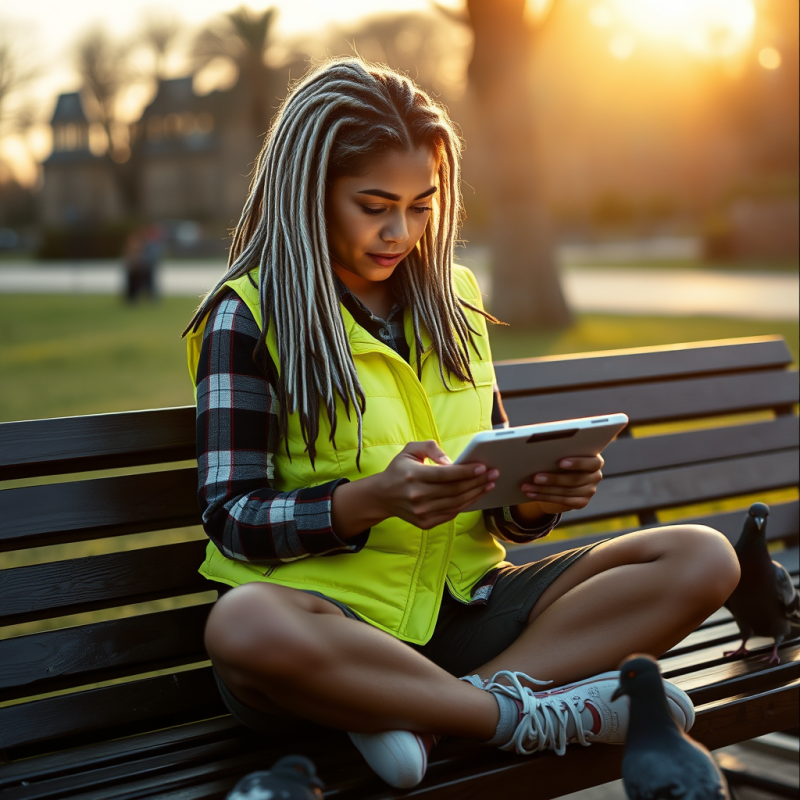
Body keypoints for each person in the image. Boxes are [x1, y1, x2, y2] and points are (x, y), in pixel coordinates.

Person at [184, 59, 740, 788]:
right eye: (374, 205)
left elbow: (496, 502)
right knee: (239, 626)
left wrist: (534, 498)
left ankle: (443, 711)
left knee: (703, 558)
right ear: (308, 195)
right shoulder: (247, 314)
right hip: (333, 637)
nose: (401, 232)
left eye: (421, 205)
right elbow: (232, 518)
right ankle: (522, 718)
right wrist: (368, 501)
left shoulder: (456, 298)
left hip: (472, 614)